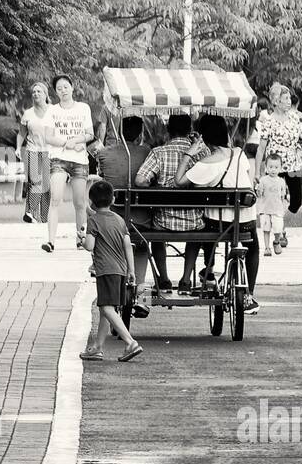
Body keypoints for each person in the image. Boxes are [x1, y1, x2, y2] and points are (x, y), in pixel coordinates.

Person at [177, 115, 261, 315]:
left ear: (204, 137)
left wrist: (189, 154)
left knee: (205, 227)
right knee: (254, 248)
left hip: (218, 224)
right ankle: (248, 293)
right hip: (245, 221)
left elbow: (179, 182)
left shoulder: (206, 164)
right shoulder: (240, 155)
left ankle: (209, 272)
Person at [135, 113, 203, 293]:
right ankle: (186, 279)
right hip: (193, 222)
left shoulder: (159, 152)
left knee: (155, 227)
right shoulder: (202, 153)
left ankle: (164, 278)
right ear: (190, 130)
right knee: (198, 228)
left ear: (168, 130)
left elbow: (140, 180)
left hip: (163, 221)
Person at [79, 180, 144, 363]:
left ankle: (130, 342)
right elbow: (127, 246)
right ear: (113, 199)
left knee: (106, 307)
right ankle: (97, 348)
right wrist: (132, 270)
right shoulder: (119, 220)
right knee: (106, 309)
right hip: (121, 269)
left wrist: (83, 239)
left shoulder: (93, 221)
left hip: (105, 270)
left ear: (91, 202)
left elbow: (90, 246)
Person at [95, 115, 153, 314]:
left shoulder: (104, 153)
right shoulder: (147, 152)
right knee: (143, 246)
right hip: (142, 219)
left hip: (114, 218)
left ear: (119, 132)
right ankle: (142, 292)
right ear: (140, 134)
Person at [255, 83, 302, 252]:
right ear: (276, 101)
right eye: (285, 99)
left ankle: (280, 220)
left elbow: (300, 139)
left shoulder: (295, 118)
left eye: (289, 99)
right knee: (275, 199)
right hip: (275, 165)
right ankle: (279, 233)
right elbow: (261, 147)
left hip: (293, 163)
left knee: (296, 202)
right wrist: (257, 171)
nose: (289, 102)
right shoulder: (269, 121)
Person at [44, 74, 95, 253]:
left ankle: (80, 238)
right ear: (56, 92)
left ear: (72, 87)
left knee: (80, 202)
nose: (63, 90)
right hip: (59, 158)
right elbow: (48, 136)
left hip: (80, 161)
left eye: (66, 86)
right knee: (55, 198)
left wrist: (77, 140)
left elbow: (90, 134)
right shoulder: (52, 110)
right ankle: (50, 241)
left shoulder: (83, 108)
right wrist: (67, 143)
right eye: (59, 88)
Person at [16, 81, 55, 224]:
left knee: (46, 186)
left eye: (39, 91)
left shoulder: (54, 111)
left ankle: (43, 217)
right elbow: (21, 134)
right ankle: (30, 211)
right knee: (35, 181)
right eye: (34, 92)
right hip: (32, 150)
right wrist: (17, 148)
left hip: (49, 152)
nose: (36, 94)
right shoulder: (28, 113)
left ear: (45, 94)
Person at [256, 154, 288, 257]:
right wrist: (258, 188)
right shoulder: (263, 180)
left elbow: (283, 196)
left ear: (280, 168)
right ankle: (266, 247)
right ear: (266, 167)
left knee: (278, 228)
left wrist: (283, 207)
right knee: (266, 229)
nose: (273, 170)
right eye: (270, 167)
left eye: (276, 167)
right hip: (265, 209)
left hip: (277, 210)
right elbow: (259, 194)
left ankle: (276, 241)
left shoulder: (281, 182)